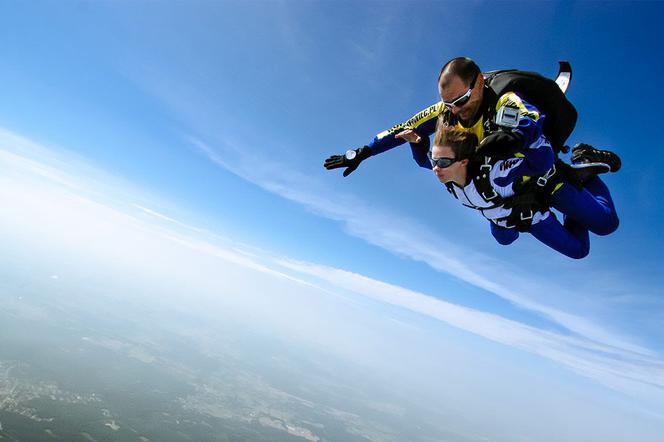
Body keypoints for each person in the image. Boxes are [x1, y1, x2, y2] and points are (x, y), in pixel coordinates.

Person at [323, 57, 617, 184]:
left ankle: (576, 165)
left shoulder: (503, 96)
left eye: (461, 101)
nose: (456, 109)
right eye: (449, 104)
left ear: (477, 85)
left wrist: (518, 137)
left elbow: (529, 119)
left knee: (533, 163)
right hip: (494, 144)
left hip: (549, 121)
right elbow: (403, 128)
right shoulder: (449, 108)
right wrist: (363, 151)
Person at [430, 120, 619, 259]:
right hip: (513, 218)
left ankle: (584, 169)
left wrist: (522, 132)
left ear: (463, 162)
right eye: (435, 160)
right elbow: (423, 159)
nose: (436, 167)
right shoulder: (448, 179)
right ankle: (578, 208)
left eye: (443, 162)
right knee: (505, 239)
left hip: (535, 203)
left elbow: (538, 158)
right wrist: (414, 141)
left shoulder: (496, 173)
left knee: (603, 228)